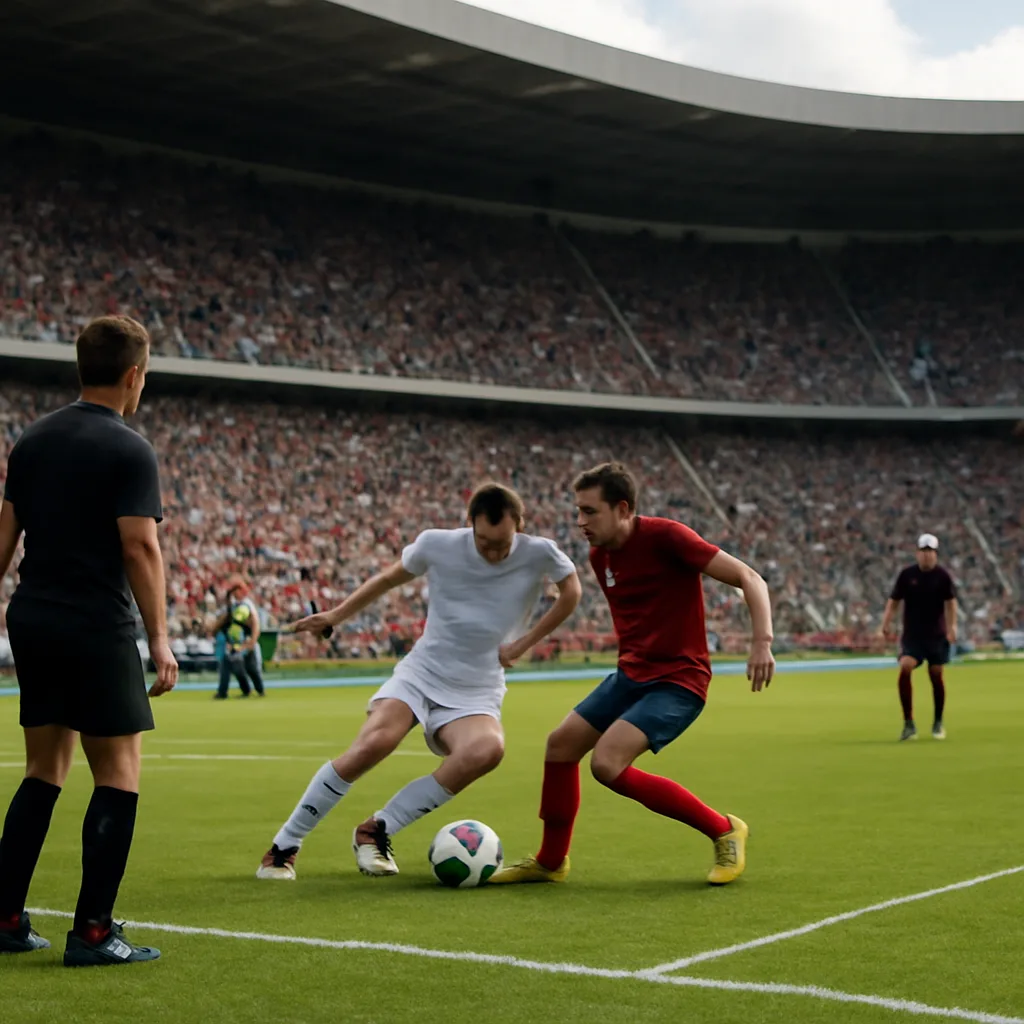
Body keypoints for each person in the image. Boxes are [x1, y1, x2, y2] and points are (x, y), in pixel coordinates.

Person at [256, 482, 581, 881]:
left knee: (487, 750)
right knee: (374, 743)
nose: (493, 553)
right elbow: (388, 580)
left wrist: (523, 644)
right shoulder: (437, 544)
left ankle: (377, 830)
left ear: (520, 525)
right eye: (484, 542)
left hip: (477, 689)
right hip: (422, 674)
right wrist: (335, 616)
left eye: (503, 543)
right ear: (469, 525)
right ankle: (284, 847)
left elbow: (571, 591)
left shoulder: (540, 552)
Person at [491, 461, 775, 888]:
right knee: (561, 745)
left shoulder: (668, 537)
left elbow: (749, 577)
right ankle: (550, 861)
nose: (580, 522)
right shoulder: (598, 555)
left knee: (606, 764)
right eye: (578, 511)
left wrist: (761, 643)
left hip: (680, 680)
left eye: (589, 511)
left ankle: (723, 829)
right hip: (631, 677)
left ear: (622, 508)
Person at [0, 315, 178, 965]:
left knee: (43, 771)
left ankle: (6, 917)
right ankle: (94, 932)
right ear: (133, 375)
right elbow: (140, 545)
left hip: (35, 617)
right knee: (119, 775)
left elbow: (4, 538)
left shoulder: (32, 441)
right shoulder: (129, 449)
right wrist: (159, 638)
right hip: (95, 623)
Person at [880, 533, 957, 742]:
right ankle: (908, 723)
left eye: (930, 552)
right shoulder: (907, 575)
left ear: (936, 554)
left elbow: (951, 603)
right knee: (905, 667)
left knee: (936, 674)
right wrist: (886, 622)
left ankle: (938, 721)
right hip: (913, 636)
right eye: (923, 552)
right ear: (917, 553)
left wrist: (952, 627)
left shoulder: (943, 576)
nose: (926, 556)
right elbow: (894, 600)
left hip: (936, 635)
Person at [213, 576, 265, 699]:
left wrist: (252, 640)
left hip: (245, 641)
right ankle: (223, 691)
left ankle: (257, 689)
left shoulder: (247, 604)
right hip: (234, 642)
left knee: (249, 668)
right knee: (228, 666)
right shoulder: (233, 606)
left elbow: (255, 623)